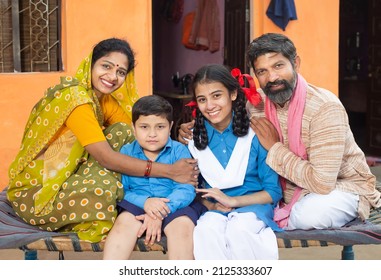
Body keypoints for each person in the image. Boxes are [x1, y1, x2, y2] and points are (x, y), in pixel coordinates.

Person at [179, 33, 381, 230]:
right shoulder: (255, 104)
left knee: (308, 215)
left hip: (339, 187)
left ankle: (272, 221)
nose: (272, 77)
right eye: (262, 71)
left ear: (295, 63)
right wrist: (190, 130)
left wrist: (275, 148)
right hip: (287, 191)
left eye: (278, 65)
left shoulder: (325, 108)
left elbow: (322, 184)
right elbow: (221, 117)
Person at [6, 38, 199, 243]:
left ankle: (151, 202)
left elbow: (143, 134)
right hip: (39, 193)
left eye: (121, 72)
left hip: (71, 178)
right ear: (91, 64)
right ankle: (143, 203)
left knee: (123, 133)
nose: (112, 76)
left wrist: (176, 136)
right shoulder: (76, 99)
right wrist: (171, 171)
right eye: (106, 66)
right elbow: (106, 158)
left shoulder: (104, 100)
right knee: (105, 192)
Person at [186, 64, 282, 260]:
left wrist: (233, 201)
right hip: (214, 210)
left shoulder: (256, 133)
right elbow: (191, 189)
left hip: (253, 207)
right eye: (202, 99)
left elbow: (273, 191)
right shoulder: (192, 139)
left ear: (233, 94)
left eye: (216, 95)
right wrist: (211, 206)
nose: (210, 106)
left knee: (239, 229)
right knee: (205, 231)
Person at [103, 95, 206, 259]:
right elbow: (122, 189)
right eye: (144, 127)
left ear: (170, 126)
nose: (152, 134)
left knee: (183, 228)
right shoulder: (126, 152)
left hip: (175, 205)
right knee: (123, 225)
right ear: (133, 128)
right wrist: (145, 203)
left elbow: (187, 188)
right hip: (136, 203)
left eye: (160, 127)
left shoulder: (179, 151)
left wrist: (161, 211)